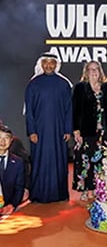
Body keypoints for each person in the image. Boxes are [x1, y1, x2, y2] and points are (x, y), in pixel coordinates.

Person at [24, 52, 73, 203]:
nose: (49, 65)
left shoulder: (64, 84)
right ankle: (38, 194)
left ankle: (59, 194)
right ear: (41, 64)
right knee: (40, 161)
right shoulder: (33, 84)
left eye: (52, 62)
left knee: (59, 162)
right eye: (46, 62)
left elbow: (68, 109)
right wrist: (31, 130)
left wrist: (67, 129)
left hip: (58, 131)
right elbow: (29, 111)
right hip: (39, 131)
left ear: (56, 65)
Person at [71, 60, 107, 200]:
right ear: (86, 72)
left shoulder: (106, 88)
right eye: (91, 69)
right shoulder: (80, 88)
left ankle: (98, 189)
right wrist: (76, 130)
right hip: (85, 132)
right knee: (85, 162)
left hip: (102, 134)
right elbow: (75, 110)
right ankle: (87, 190)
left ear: (100, 71)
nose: (94, 72)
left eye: (96, 69)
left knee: (100, 163)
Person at [0, 125, 26, 214]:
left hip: (6, 206)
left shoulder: (18, 162)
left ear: (11, 141)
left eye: (6, 138)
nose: (2, 141)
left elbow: (19, 188)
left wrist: (12, 205)